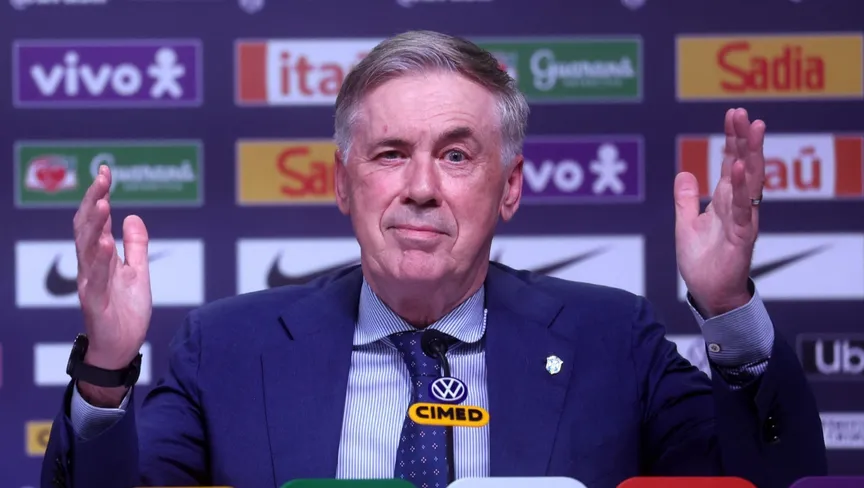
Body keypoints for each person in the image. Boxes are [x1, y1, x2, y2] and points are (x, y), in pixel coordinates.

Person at [41, 30, 826, 488]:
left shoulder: (611, 341)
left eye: (456, 156)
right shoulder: (228, 349)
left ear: (509, 187)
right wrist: (106, 368)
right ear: (342, 183)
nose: (420, 188)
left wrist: (728, 308)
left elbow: (772, 480)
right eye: (390, 153)